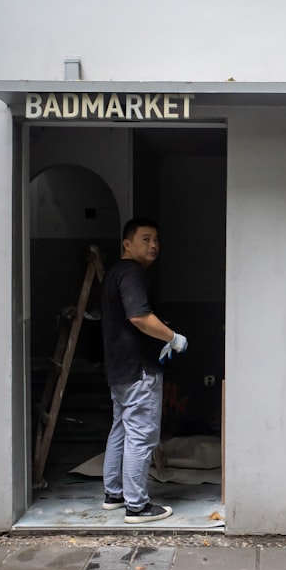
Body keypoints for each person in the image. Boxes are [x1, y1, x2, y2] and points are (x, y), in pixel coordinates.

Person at [100, 218, 188, 524]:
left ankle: (114, 494)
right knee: (141, 435)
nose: (153, 246)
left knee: (121, 430)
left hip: (120, 369)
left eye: (156, 240)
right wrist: (172, 338)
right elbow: (139, 317)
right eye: (145, 239)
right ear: (127, 243)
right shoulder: (133, 273)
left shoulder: (114, 273)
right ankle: (136, 506)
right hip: (139, 370)